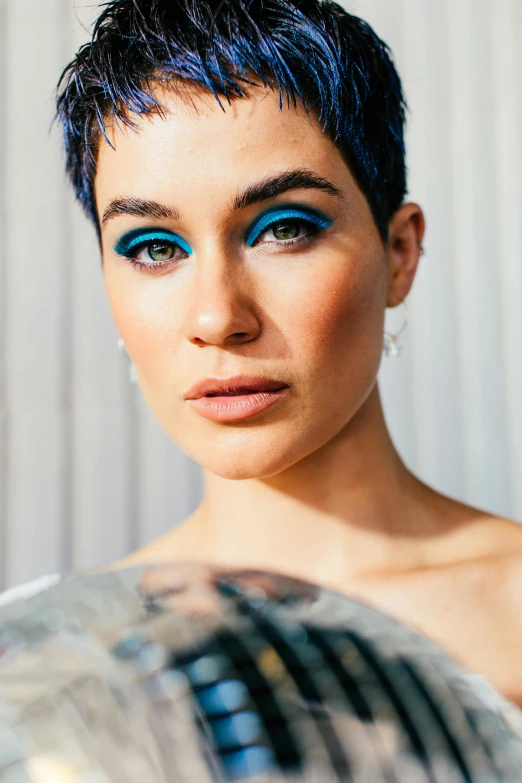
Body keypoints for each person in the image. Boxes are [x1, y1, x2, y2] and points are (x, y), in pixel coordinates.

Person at [8, 0, 522, 714]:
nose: (218, 317)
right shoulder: (46, 661)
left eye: (283, 229)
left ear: (399, 253)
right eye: (154, 248)